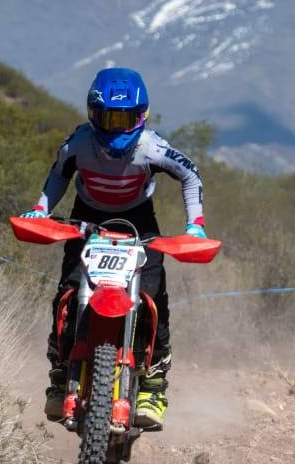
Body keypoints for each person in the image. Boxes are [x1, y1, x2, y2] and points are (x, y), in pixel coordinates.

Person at [20, 67, 206, 429]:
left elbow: (190, 173)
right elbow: (59, 173)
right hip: (87, 218)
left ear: (141, 116)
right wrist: (40, 209)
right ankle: (60, 375)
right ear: (94, 115)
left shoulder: (152, 147)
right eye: (109, 118)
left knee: (153, 298)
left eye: (125, 119)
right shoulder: (78, 143)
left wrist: (195, 226)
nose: (117, 128)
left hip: (139, 221)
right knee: (67, 294)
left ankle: (152, 386)